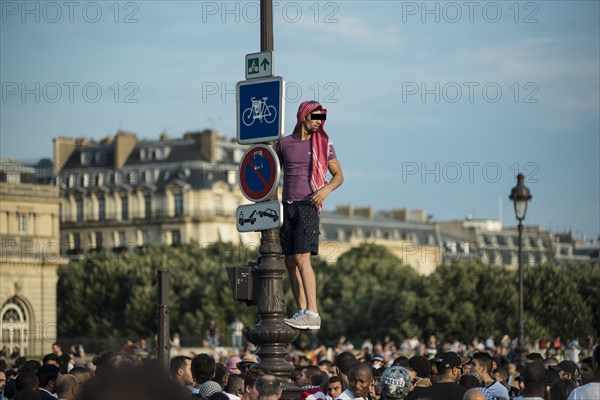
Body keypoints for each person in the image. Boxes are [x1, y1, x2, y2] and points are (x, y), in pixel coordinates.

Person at [277, 100, 344, 331]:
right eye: (315, 117)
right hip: (287, 206)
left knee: (303, 259)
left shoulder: (324, 143)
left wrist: (324, 190)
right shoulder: (283, 143)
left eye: (322, 118)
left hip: (308, 205)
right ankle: (303, 310)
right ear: (303, 116)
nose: (319, 122)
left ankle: (313, 312)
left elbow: (338, 176)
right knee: (289, 260)